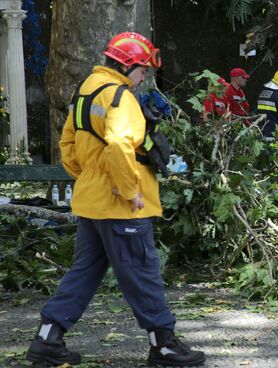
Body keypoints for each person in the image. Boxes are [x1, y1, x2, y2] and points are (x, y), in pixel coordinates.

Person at [25, 32, 205, 367]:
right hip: (122, 204)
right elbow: (121, 144)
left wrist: (91, 177)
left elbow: (67, 145)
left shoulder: (87, 89)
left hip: (93, 200)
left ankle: (47, 339)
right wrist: (127, 188)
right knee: (141, 271)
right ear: (127, 64)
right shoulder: (120, 96)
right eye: (142, 70)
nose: (143, 77)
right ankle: (164, 345)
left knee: (84, 272)